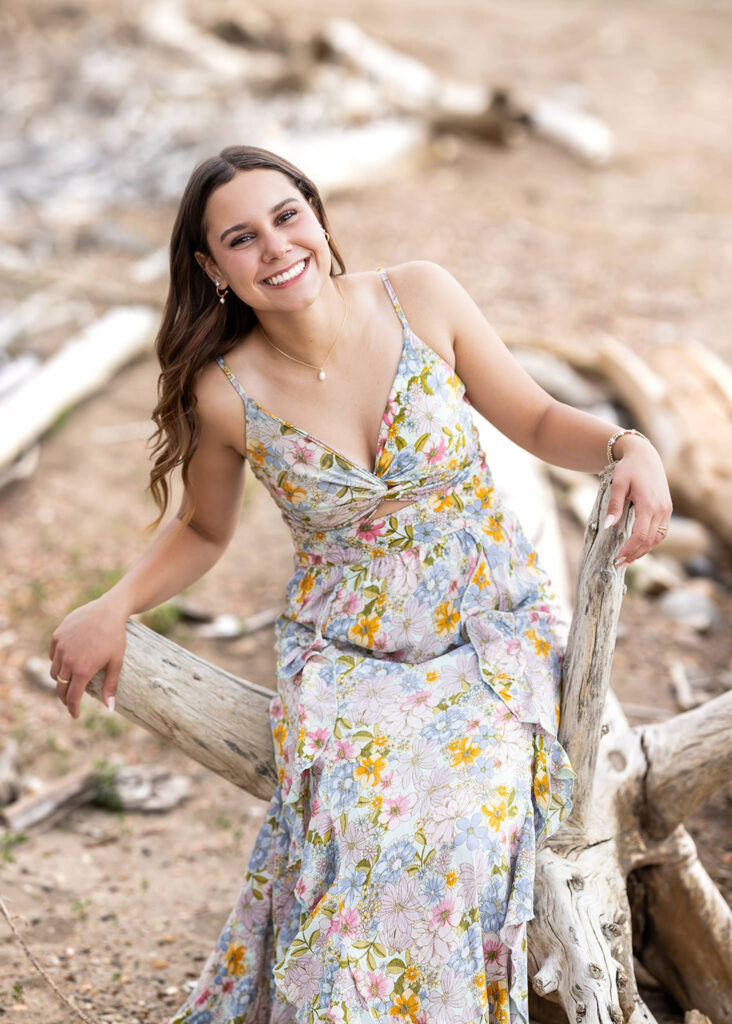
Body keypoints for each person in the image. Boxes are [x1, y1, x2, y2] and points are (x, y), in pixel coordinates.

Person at [48, 145, 672, 1024]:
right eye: (241, 238)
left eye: (286, 216)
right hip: (350, 655)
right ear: (210, 267)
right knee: (361, 833)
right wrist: (112, 604)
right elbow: (203, 528)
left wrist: (626, 446)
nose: (274, 247)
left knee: (470, 827)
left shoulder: (418, 296)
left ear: (317, 213)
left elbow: (532, 417)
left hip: (487, 628)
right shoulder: (222, 392)